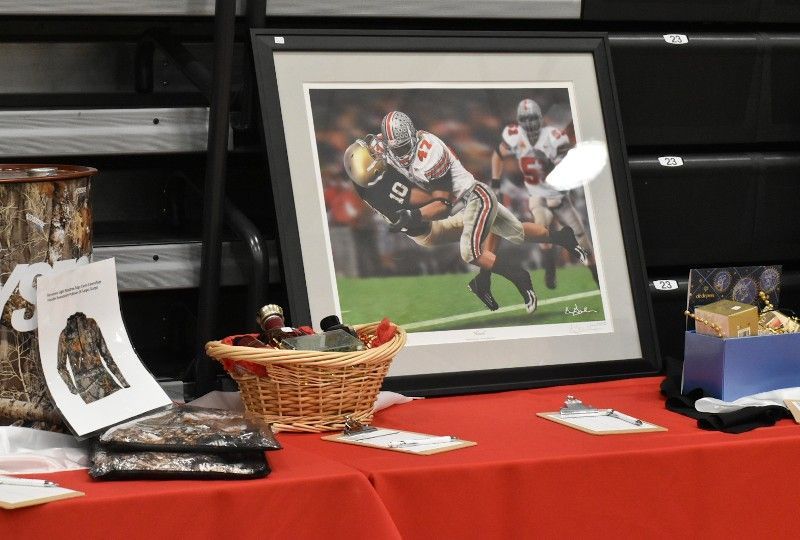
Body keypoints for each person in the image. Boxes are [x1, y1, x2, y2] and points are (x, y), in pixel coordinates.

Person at [343, 135, 586, 312]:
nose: (377, 151)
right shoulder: (389, 190)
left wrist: (383, 148)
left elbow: (377, 157)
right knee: (481, 244)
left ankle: (560, 239)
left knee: (510, 231)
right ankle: (514, 276)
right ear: (373, 169)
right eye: (373, 156)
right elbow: (437, 204)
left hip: (459, 205)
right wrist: (420, 209)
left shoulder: (364, 180)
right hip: (435, 224)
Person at [491, 98, 598, 288]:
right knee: (541, 230)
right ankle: (550, 268)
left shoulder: (553, 136)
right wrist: (496, 184)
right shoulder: (514, 135)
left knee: (582, 239)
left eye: (533, 118)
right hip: (537, 196)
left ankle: (596, 275)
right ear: (519, 121)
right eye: (526, 119)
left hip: (559, 197)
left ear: (540, 118)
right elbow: (498, 155)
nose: (530, 123)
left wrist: (550, 164)